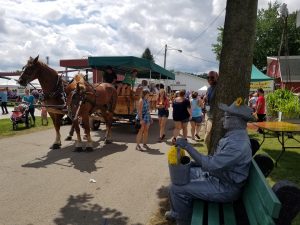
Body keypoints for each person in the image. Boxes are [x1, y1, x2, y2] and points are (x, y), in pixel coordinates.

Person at [165, 98, 254, 225]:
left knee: (176, 188)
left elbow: (211, 165)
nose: (223, 119)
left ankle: (182, 220)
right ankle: (177, 212)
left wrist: (187, 146)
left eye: (227, 117)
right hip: (218, 178)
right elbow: (214, 163)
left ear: (236, 120)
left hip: (225, 187)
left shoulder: (237, 144)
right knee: (180, 177)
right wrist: (193, 164)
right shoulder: (234, 136)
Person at [203, 71, 219, 154]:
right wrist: (205, 100)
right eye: (208, 77)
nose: (209, 79)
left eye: (212, 77)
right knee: (207, 135)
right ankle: (210, 153)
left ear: (217, 77)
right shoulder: (209, 88)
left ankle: (211, 153)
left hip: (213, 117)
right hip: (208, 114)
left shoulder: (219, 87)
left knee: (207, 138)